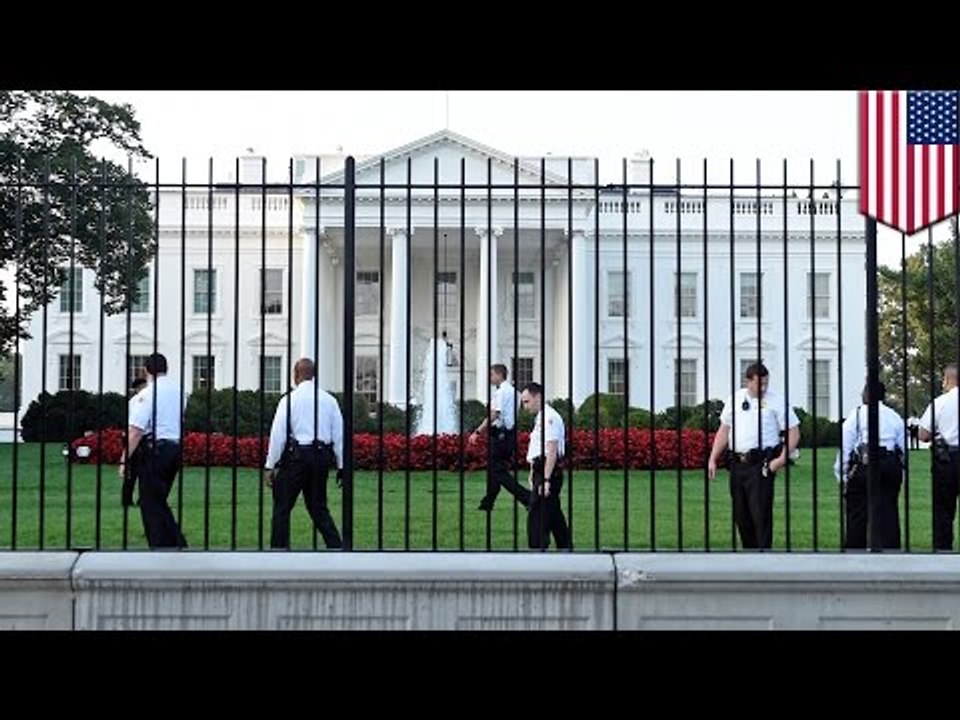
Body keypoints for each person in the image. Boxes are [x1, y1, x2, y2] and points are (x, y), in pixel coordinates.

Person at [707, 362, 800, 550]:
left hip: (762, 464)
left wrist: (780, 460)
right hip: (738, 464)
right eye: (759, 384)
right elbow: (724, 430)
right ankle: (749, 554)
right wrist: (713, 458)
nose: (763, 388)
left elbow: (794, 432)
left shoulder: (777, 401)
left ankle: (764, 555)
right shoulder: (735, 399)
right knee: (741, 515)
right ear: (747, 381)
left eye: (766, 383)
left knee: (761, 514)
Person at [263, 358, 343, 550]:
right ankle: (336, 546)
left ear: (295, 375)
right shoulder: (329, 400)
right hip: (321, 455)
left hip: (296, 456)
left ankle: (279, 549)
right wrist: (342, 465)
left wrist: (270, 464)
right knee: (318, 507)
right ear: (313, 375)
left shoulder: (289, 400)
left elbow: (278, 434)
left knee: (282, 505)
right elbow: (339, 435)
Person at [117, 353, 188, 549]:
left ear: (147, 370)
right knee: (157, 499)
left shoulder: (147, 394)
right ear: (166, 368)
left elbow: (136, 431)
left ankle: (162, 545)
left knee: (149, 502)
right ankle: (174, 542)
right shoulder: (179, 391)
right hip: (174, 449)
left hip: (155, 450)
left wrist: (124, 460)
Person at [833, 382, 905, 549]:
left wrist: (842, 475)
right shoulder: (894, 416)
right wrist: (901, 474)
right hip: (888, 464)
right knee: (888, 512)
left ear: (865, 395)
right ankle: (890, 550)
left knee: (857, 513)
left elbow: (846, 446)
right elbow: (902, 450)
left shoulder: (857, 415)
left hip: (864, 464)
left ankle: (855, 549)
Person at [470, 363, 530, 512]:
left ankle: (527, 498)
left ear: (499, 375)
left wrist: (478, 432)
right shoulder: (515, 393)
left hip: (500, 435)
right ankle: (487, 503)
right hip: (510, 435)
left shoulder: (501, 392)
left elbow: (494, 414)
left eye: (491, 375)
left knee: (499, 472)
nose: (490, 378)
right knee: (494, 470)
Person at [520, 382, 571, 550]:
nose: (524, 406)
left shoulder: (549, 418)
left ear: (538, 397)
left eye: (527, 401)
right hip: (541, 469)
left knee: (536, 513)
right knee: (553, 513)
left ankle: (537, 549)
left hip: (547, 471)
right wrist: (532, 471)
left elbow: (552, 449)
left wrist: (546, 479)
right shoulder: (541, 417)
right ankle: (565, 546)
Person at [918, 364, 960, 550]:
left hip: (946, 459)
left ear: (949, 379)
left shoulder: (940, 402)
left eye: (943, 379)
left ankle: (943, 551)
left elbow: (923, 435)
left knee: (943, 510)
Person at [121, 375, 150, 508]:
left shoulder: (139, 400)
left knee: (142, 471)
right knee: (133, 471)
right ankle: (129, 498)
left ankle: (138, 498)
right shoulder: (136, 401)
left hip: (138, 436)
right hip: (137, 436)